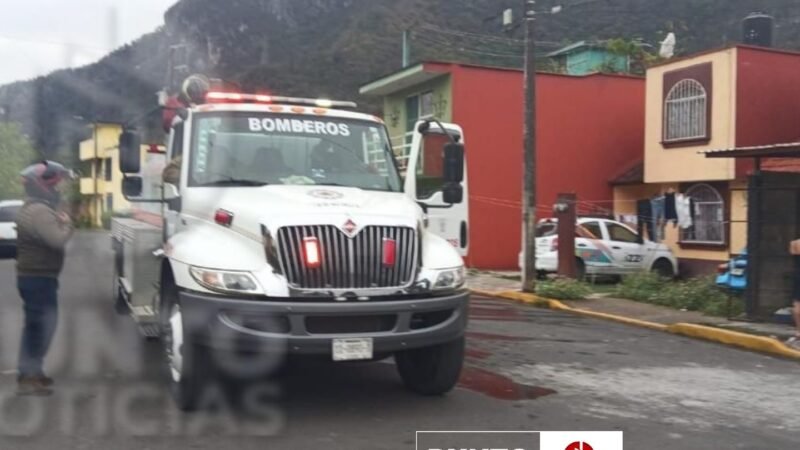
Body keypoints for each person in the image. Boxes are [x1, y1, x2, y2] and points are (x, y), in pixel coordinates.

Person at [15, 161, 74, 396]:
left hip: (34, 278)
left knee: (35, 327)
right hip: (38, 278)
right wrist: (68, 225)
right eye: (57, 184)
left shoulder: (32, 208)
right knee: (41, 328)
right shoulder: (40, 211)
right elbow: (56, 241)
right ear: (43, 186)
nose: (59, 189)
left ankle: (32, 373)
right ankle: (28, 378)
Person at [788, 239, 800, 350]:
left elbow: (792, 253)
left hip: (798, 275)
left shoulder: (794, 243)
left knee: (797, 304)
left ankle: (798, 331)